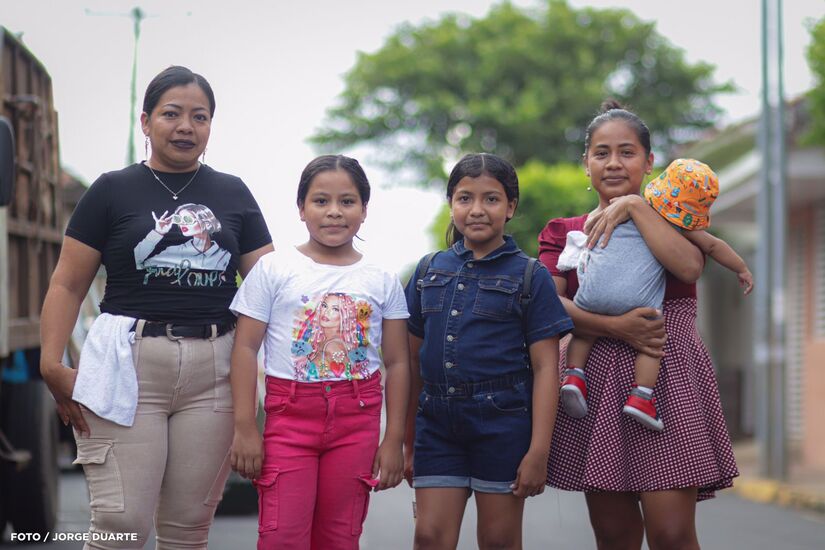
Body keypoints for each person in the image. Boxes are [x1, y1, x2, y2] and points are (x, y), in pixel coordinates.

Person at [39, 65, 273, 549]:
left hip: (215, 370)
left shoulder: (233, 193)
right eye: (171, 114)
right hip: (126, 366)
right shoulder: (111, 190)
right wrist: (50, 363)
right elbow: (67, 283)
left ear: (210, 126)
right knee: (120, 526)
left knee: (188, 528)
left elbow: (268, 287)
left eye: (199, 117)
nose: (186, 126)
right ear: (145, 122)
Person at [538, 100, 739, 550]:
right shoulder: (564, 231)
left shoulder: (675, 221)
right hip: (590, 381)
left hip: (667, 376)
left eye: (626, 152)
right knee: (615, 536)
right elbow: (548, 306)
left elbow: (689, 268)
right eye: (601, 153)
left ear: (649, 163)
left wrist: (635, 207)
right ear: (586, 163)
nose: (613, 163)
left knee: (672, 535)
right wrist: (615, 327)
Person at [229, 154, 411, 550]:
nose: (334, 212)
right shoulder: (273, 269)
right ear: (301, 208)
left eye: (347, 201)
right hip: (289, 420)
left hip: (356, 422)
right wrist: (244, 427)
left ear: (364, 209)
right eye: (321, 201)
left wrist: (394, 439)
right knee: (281, 538)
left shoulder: (382, 279)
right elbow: (245, 348)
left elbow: (398, 362)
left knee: (338, 538)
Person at [404, 153, 573, 549]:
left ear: (510, 207)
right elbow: (411, 363)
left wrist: (539, 451)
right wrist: (408, 441)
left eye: (491, 199)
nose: (477, 209)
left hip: (503, 425)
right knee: (428, 537)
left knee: (498, 541)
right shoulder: (428, 271)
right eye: (465, 198)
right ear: (451, 203)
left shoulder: (531, 276)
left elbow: (546, 368)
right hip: (436, 426)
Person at [557, 157, 754, 431]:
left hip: (594, 292)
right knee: (651, 344)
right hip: (638, 302)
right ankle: (641, 396)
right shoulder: (672, 223)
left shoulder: (622, 207)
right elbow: (712, 246)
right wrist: (741, 268)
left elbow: (590, 226)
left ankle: (573, 376)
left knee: (583, 333)